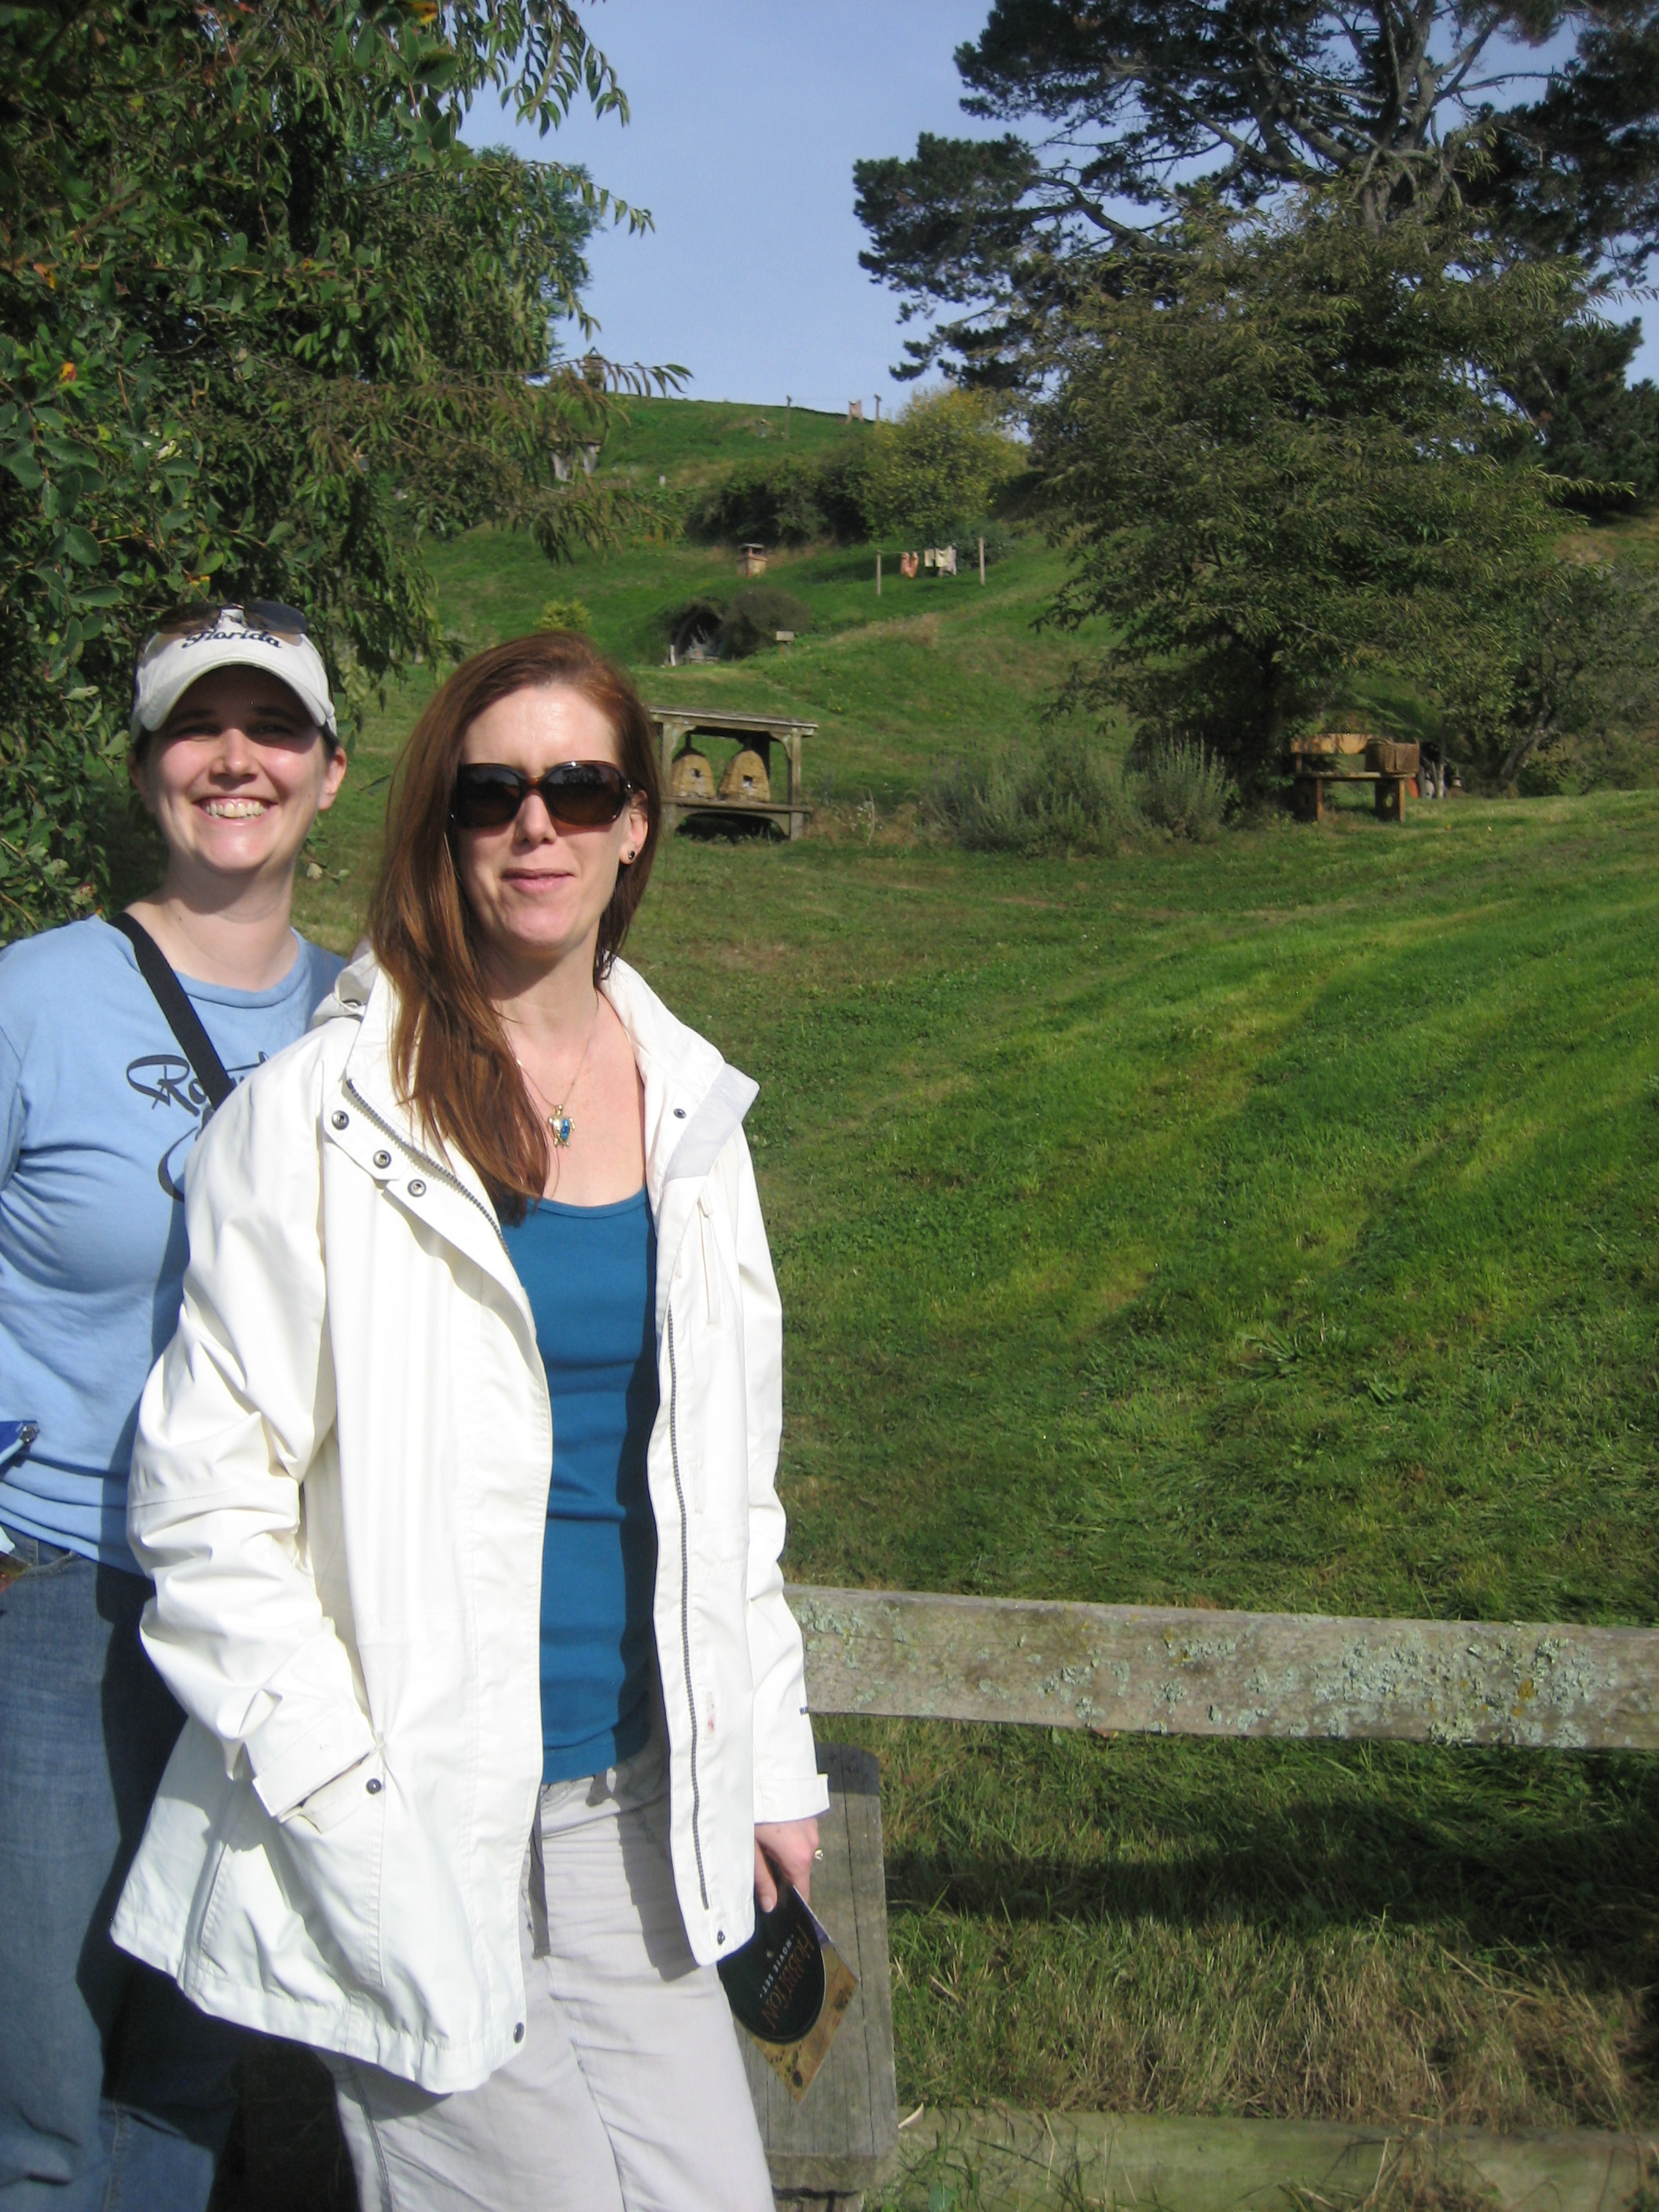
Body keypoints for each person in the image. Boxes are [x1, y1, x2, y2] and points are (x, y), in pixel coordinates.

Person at [110, 631, 828, 2212]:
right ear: (443, 822)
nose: (536, 825)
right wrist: (341, 1801)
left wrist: (767, 1761)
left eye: (579, 786)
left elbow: (733, 1492)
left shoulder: (695, 1117)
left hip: (637, 1807)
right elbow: (205, 1508)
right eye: (493, 792)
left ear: (637, 822)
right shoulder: (317, 1118)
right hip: (416, 1819)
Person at [0, 602, 348, 2208]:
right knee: (44, 2079)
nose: (235, 759)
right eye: (198, 726)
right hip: (58, 1592)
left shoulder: (372, 1025)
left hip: (274, 1606)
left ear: (329, 771)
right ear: (146, 767)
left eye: (272, 728)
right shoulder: (32, 998)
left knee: (195, 2062)